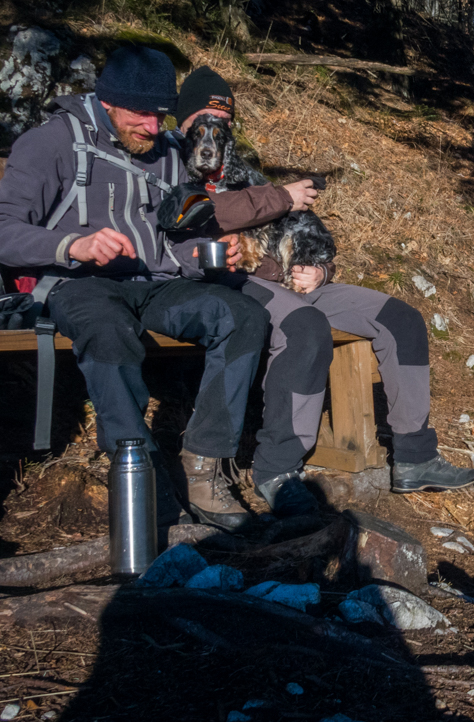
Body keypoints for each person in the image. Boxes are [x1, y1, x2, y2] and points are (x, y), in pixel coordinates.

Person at [175, 67, 474, 518]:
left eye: (222, 128)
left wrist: (318, 268)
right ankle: (276, 471)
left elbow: (299, 227)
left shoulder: (246, 174)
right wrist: (281, 198)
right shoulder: (169, 169)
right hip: (234, 285)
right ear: (182, 126)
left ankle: (415, 457)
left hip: (287, 281)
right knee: (305, 327)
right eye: (202, 126)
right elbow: (199, 214)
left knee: (401, 318)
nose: (210, 139)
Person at [0, 46, 271, 531]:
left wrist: (209, 253)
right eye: (141, 114)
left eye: (161, 114)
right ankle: (140, 478)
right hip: (78, 284)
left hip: (155, 284)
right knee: (108, 330)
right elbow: (4, 230)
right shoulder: (52, 143)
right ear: (108, 101)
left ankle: (206, 465)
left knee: (243, 316)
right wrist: (72, 245)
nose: (154, 126)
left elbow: (179, 236)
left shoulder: (165, 151)